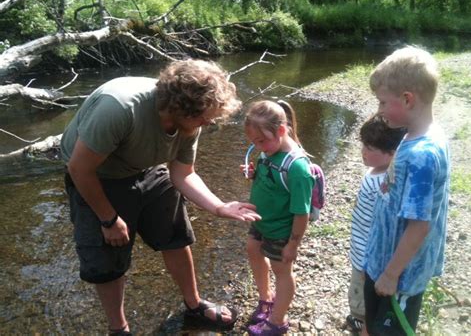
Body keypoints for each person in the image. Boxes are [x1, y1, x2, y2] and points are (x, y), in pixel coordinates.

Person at [61, 59, 261, 335]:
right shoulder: (119, 108)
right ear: (182, 107)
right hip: (97, 176)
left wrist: (219, 207)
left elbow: (183, 174)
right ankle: (119, 329)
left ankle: (194, 305)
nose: (210, 121)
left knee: (176, 235)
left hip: (146, 166)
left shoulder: (191, 123)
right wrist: (108, 219)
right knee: (109, 256)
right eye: (206, 116)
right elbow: (79, 168)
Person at [363, 46, 450, 335]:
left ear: (407, 99)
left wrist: (390, 274)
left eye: (382, 102)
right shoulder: (417, 135)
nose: (379, 111)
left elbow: (419, 225)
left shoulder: (422, 155)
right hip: (384, 264)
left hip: (398, 277)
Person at [241, 100, 314, 335]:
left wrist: (293, 244)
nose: (258, 147)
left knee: (282, 270)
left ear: (281, 131)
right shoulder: (268, 151)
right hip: (261, 221)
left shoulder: (298, 168)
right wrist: (254, 175)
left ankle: (277, 321)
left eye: (261, 141)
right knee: (252, 250)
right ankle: (266, 298)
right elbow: (271, 183)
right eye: (254, 142)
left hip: (282, 230)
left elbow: (301, 212)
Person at [346, 115, 405, 334]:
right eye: (363, 145)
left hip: (366, 259)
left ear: (392, 153)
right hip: (360, 251)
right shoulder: (377, 172)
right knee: (361, 299)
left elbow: (382, 228)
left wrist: (364, 265)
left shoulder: (383, 185)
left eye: (370, 148)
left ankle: (365, 326)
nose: (363, 151)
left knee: (364, 301)